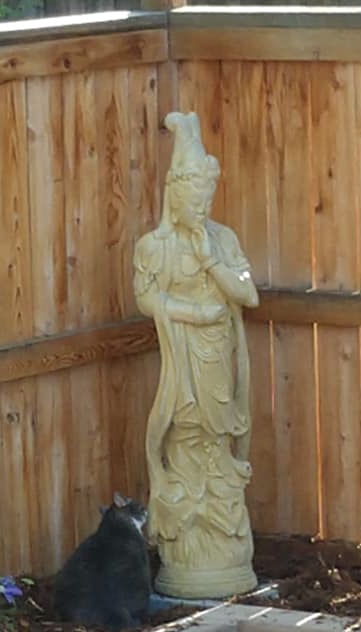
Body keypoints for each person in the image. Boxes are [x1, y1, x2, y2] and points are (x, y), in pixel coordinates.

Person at [133, 111, 259, 598]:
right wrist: (191, 313)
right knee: (183, 431)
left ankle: (224, 543)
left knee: (218, 435)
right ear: (175, 197)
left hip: (217, 354)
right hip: (182, 355)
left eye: (207, 199)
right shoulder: (154, 247)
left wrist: (210, 259)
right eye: (194, 199)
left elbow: (247, 295)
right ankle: (187, 548)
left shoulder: (223, 240)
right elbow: (146, 298)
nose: (202, 207)